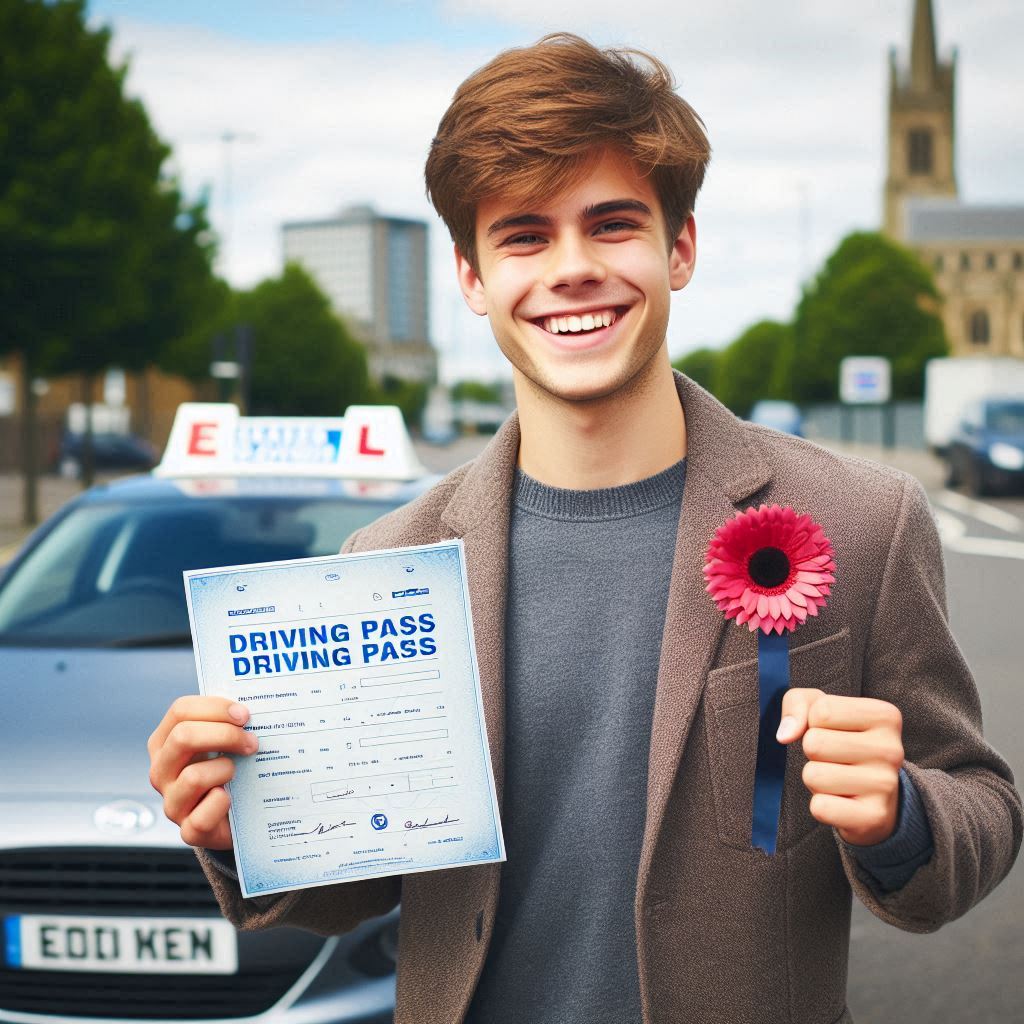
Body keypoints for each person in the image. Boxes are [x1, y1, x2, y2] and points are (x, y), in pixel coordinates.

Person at [148, 33, 1021, 1024]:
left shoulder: (865, 521)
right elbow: (353, 892)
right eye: (522, 235)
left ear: (678, 247)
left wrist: (903, 814)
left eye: (611, 224)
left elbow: (981, 804)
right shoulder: (388, 560)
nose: (571, 269)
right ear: (472, 278)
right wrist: (236, 826)